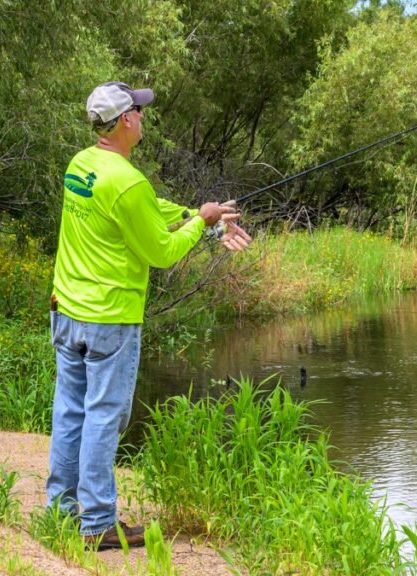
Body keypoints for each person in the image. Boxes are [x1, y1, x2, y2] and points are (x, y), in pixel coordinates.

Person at [46, 81, 252, 550]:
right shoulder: (127, 181)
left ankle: (60, 510)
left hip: (67, 311)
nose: (142, 116)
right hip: (109, 320)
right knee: (102, 417)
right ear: (124, 121)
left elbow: (145, 209)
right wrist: (200, 224)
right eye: (137, 111)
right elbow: (160, 251)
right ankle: (97, 523)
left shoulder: (81, 166)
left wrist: (198, 212)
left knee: (70, 411)